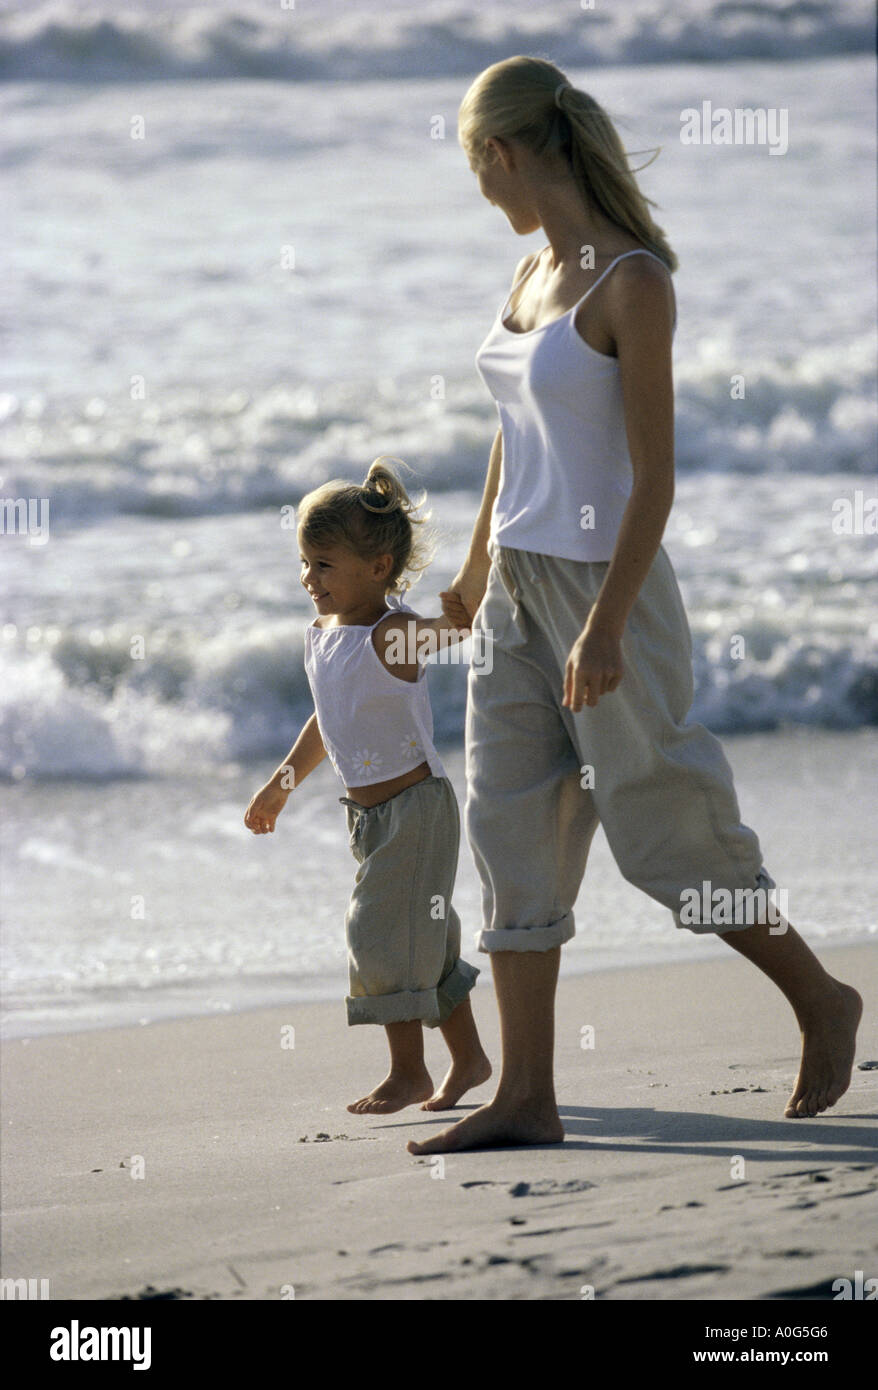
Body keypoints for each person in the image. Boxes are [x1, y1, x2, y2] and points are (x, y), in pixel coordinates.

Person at [409, 56, 862, 1155]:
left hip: (605, 588)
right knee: (507, 826)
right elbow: (512, 439)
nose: (479, 190)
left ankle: (817, 996)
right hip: (517, 587)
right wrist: (472, 571)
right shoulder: (524, 278)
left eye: (477, 168)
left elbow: (653, 478)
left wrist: (605, 623)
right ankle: (526, 1095)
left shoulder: (633, 283)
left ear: (501, 153)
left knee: (662, 830)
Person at [244, 456, 489, 1115]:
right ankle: (468, 1060)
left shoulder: (392, 635)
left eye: (323, 564)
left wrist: (463, 604)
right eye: (305, 562)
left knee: (377, 936)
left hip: (416, 813)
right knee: (424, 942)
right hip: (371, 818)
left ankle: (407, 1072)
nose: (308, 578)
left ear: (377, 569)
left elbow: (454, 633)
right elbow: (326, 723)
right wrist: (281, 785)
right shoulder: (323, 637)